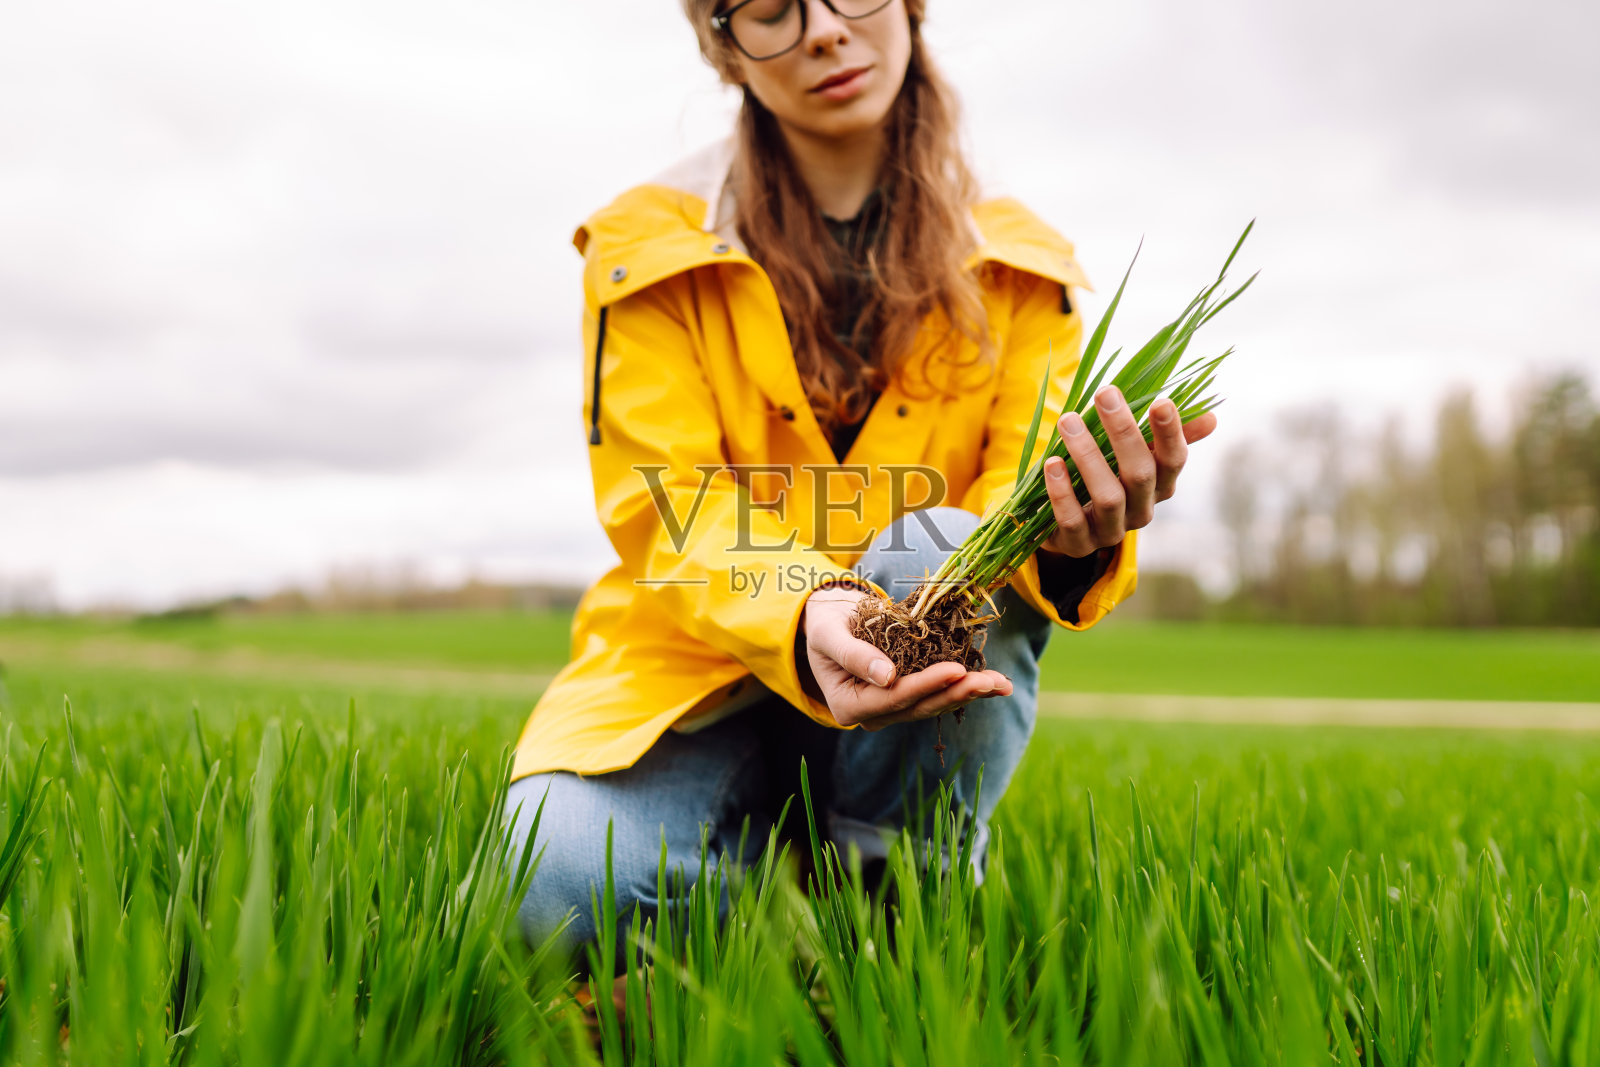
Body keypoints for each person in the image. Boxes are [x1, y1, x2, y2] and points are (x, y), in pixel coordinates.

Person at [503, 0, 1216, 963]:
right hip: (695, 676)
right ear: (724, 49)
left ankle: (895, 914)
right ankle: (733, 909)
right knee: (551, 886)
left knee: (943, 545)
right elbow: (670, 505)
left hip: (910, 691)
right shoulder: (646, 247)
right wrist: (806, 610)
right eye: (769, 10)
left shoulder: (1020, 267)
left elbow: (1014, 491)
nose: (825, 30)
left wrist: (1068, 535)